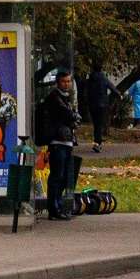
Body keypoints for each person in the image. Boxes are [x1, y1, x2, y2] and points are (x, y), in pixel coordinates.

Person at [43, 69, 80, 220]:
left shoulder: (66, 97)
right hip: (57, 141)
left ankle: (59, 204)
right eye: (64, 81)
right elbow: (67, 114)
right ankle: (54, 208)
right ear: (58, 82)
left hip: (67, 141)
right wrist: (73, 116)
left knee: (64, 175)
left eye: (69, 81)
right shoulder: (55, 96)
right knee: (57, 176)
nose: (67, 84)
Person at [85, 62, 116, 152]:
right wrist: (119, 94)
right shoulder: (103, 78)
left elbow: (85, 90)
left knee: (96, 124)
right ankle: (97, 143)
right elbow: (112, 87)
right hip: (102, 105)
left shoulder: (90, 78)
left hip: (92, 104)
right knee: (99, 124)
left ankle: (97, 141)